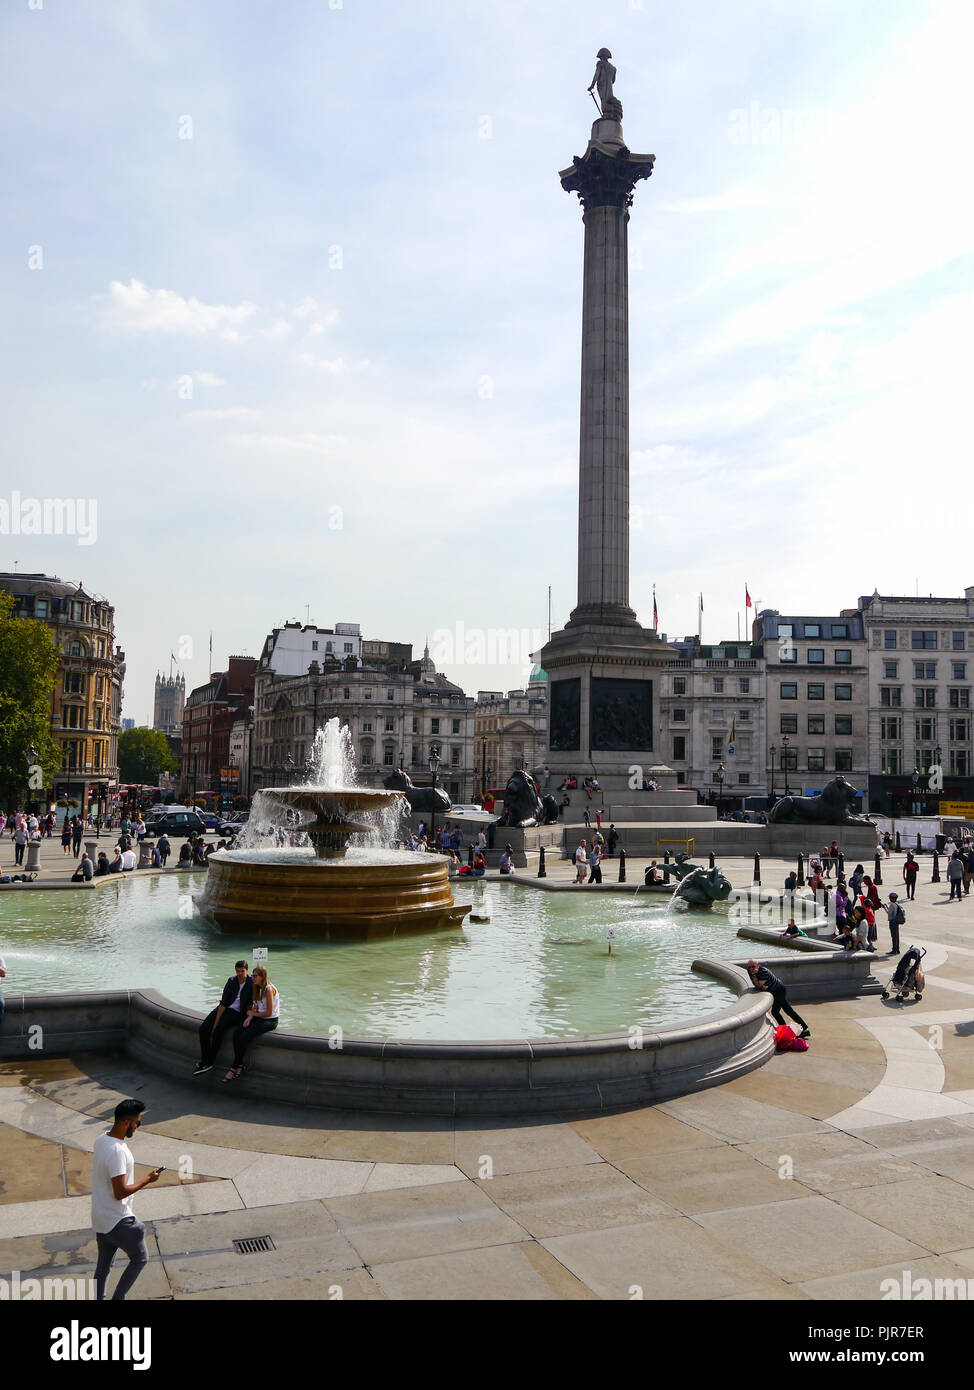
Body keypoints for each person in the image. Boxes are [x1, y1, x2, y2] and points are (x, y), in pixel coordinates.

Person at [91, 1099, 162, 1301]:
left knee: (103, 1268)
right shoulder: (118, 1151)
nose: (137, 1127)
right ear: (125, 1123)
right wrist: (148, 1179)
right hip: (119, 1220)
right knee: (140, 1258)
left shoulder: (101, 1139)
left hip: (100, 1219)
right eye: (137, 1123)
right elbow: (120, 1192)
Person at [194, 960, 253, 1075]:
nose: (239, 974)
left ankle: (210, 1062)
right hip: (224, 1008)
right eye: (237, 971)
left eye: (242, 971)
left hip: (237, 1013)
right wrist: (215, 1023)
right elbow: (223, 1003)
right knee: (204, 1028)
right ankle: (204, 1059)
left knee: (218, 1031)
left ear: (247, 970)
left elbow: (252, 1003)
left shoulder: (251, 983)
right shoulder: (231, 981)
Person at [224, 965, 279, 1082]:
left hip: (270, 1020)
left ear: (262, 976)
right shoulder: (256, 987)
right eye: (253, 976)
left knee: (245, 1036)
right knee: (237, 1032)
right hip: (259, 1017)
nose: (253, 978)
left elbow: (269, 1012)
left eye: (255, 976)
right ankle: (239, 1065)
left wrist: (253, 1015)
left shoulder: (268, 989)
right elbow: (256, 1007)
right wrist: (249, 1018)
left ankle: (234, 1067)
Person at [746, 959, 810, 1038]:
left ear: (758, 966)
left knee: (783, 1011)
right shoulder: (750, 971)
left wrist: (755, 976)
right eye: (749, 967)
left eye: (753, 966)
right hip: (774, 990)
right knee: (782, 1011)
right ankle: (789, 1030)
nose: (751, 969)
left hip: (779, 990)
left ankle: (799, 1029)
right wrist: (754, 977)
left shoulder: (763, 972)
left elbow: (758, 986)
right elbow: (756, 985)